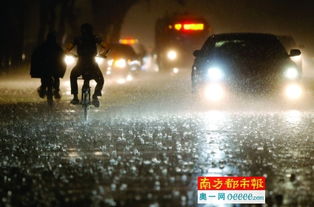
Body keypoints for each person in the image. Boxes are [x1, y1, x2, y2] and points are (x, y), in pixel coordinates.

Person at [67, 23, 107, 107]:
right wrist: (103, 54)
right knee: (100, 80)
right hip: (92, 64)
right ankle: (95, 96)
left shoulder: (77, 38)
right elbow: (106, 47)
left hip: (80, 64)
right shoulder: (95, 38)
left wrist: (71, 54)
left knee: (73, 76)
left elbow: (68, 49)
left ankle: (75, 97)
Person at [30, 32, 66, 99]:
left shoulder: (42, 47)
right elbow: (62, 59)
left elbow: (34, 57)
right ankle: (56, 91)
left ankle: (43, 89)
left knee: (44, 78)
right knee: (56, 77)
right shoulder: (57, 48)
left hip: (46, 69)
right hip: (54, 69)